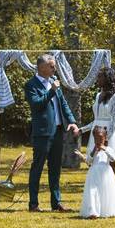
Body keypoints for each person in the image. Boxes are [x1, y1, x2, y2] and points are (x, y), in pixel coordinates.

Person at [25, 54, 81, 212]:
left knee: (55, 169)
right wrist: (51, 91)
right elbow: (36, 105)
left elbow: (63, 104)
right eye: (52, 66)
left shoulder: (53, 82)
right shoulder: (31, 85)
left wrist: (72, 121)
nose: (54, 68)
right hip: (42, 134)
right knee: (37, 168)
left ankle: (56, 203)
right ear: (42, 67)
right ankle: (33, 204)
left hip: (57, 132)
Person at [81, 67, 115, 167]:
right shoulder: (98, 96)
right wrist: (82, 130)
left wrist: (105, 139)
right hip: (96, 133)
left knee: (109, 167)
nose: (98, 79)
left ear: (108, 79)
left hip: (109, 134)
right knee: (95, 165)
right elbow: (96, 120)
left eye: (100, 77)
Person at [79, 127, 115, 219]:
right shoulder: (93, 150)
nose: (98, 141)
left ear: (105, 138)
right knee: (92, 192)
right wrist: (93, 151)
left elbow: (112, 158)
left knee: (105, 192)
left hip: (105, 174)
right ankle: (93, 211)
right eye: (96, 139)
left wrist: (104, 149)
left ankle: (105, 210)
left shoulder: (109, 149)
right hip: (94, 173)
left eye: (100, 138)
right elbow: (89, 161)